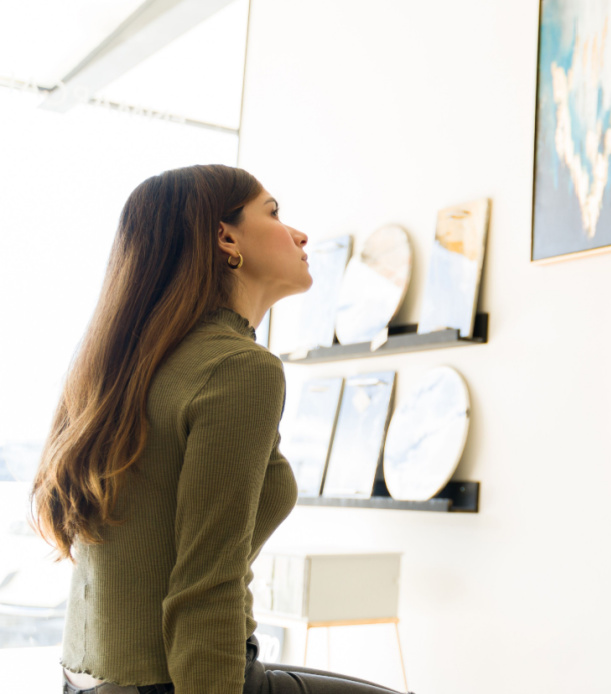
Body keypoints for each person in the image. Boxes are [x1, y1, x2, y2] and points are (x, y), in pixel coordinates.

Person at [31, 165, 411, 694]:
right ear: (225, 237)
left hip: (87, 678)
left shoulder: (123, 365)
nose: (300, 235)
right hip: (175, 679)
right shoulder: (238, 368)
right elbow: (205, 586)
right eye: (274, 213)